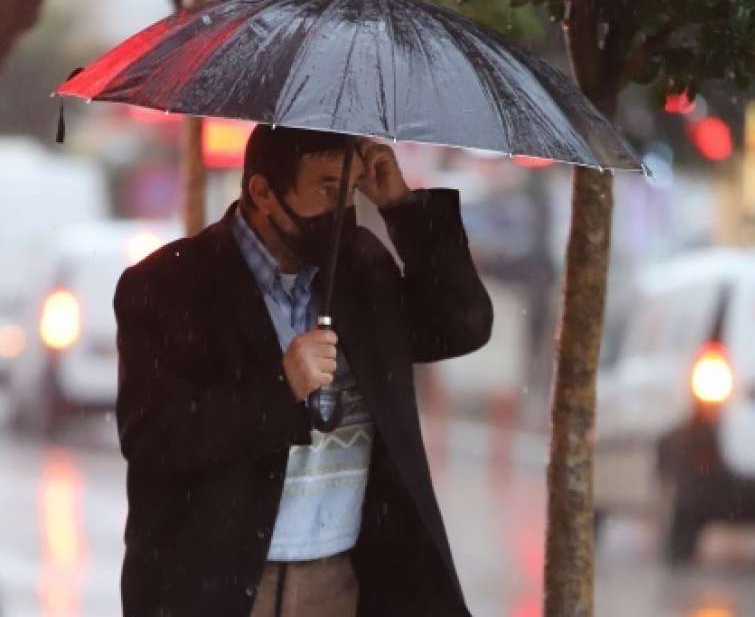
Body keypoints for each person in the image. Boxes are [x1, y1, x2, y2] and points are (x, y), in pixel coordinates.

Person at [113, 125, 492, 616]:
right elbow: (152, 438)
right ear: (263, 193)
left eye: (350, 190)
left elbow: (462, 324)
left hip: (340, 580)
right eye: (327, 190)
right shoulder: (169, 285)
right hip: (217, 583)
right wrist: (280, 386)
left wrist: (400, 205)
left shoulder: (361, 267)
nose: (342, 212)